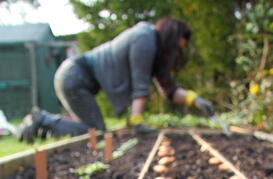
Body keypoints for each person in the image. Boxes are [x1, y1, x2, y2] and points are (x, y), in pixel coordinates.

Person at [17, 17, 214, 143]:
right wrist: (137, 122)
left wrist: (195, 100)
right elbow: (141, 84)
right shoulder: (144, 39)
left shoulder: (153, 45)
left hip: (76, 77)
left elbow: (169, 88)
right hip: (74, 76)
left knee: (93, 132)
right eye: (177, 47)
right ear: (171, 38)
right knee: (94, 133)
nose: (177, 52)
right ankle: (42, 120)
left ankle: (45, 126)